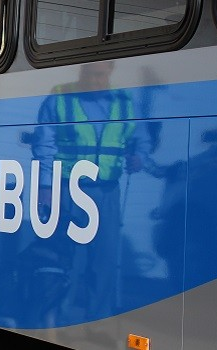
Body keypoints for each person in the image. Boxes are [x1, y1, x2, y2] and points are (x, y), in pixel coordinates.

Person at [31, 61, 154, 324]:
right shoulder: (60, 98)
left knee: (105, 258)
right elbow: (44, 144)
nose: (96, 81)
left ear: (110, 70)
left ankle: (99, 322)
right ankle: (58, 318)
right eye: (91, 74)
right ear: (81, 71)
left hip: (107, 190)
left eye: (101, 75)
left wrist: (140, 158)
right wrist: (46, 186)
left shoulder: (125, 102)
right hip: (68, 188)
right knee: (66, 257)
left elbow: (142, 139)